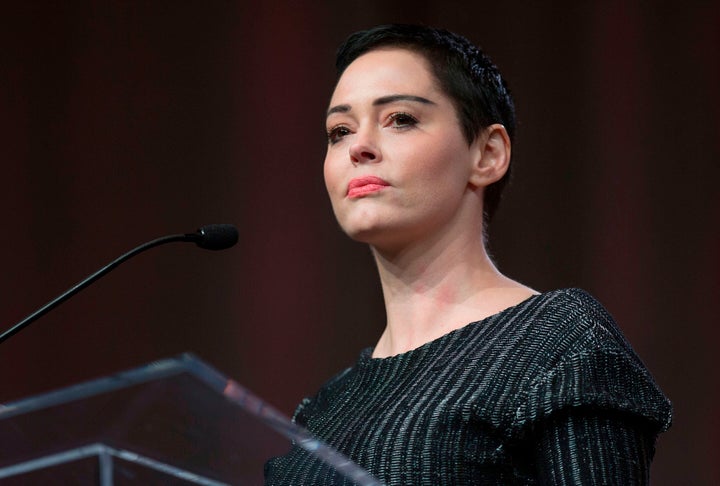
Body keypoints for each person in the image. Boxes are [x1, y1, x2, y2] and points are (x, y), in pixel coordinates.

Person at [264, 24, 671, 485]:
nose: (358, 147)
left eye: (400, 118)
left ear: (488, 153)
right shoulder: (324, 410)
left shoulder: (558, 343)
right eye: (339, 131)